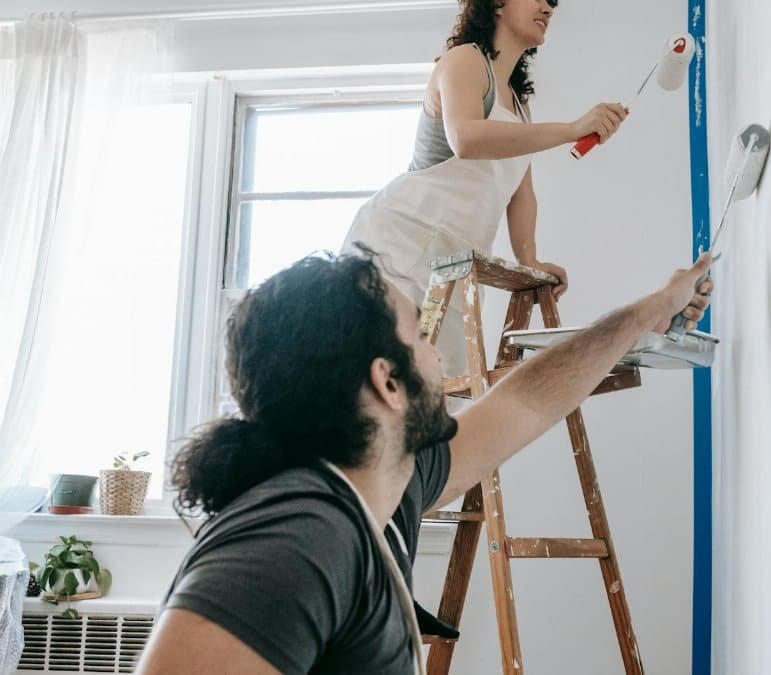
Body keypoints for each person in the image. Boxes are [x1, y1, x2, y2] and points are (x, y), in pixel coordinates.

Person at [136, 246, 713, 675]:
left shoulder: (387, 484)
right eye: (419, 336)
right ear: (388, 382)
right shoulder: (300, 535)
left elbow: (527, 398)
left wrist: (649, 312)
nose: (436, 354)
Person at [341, 0, 629, 373]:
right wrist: (572, 130)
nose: (548, 6)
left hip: (454, 267)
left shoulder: (519, 104)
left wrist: (530, 260)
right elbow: (466, 138)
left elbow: (520, 194)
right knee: (381, 377)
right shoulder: (464, 61)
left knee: (436, 395)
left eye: (553, 1)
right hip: (401, 247)